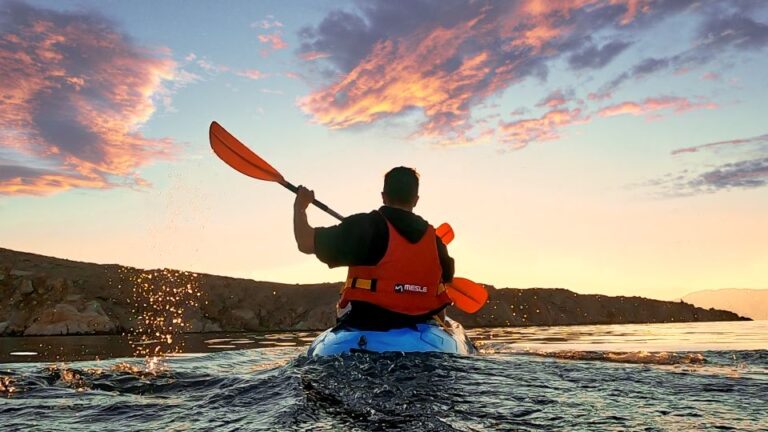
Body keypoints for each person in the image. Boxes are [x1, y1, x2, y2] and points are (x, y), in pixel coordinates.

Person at [293, 166, 454, 330]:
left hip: (367, 326)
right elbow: (447, 277)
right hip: (423, 330)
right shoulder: (435, 241)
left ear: (383, 197)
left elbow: (305, 242)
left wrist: (300, 207)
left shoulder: (364, 227)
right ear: (416, 199)